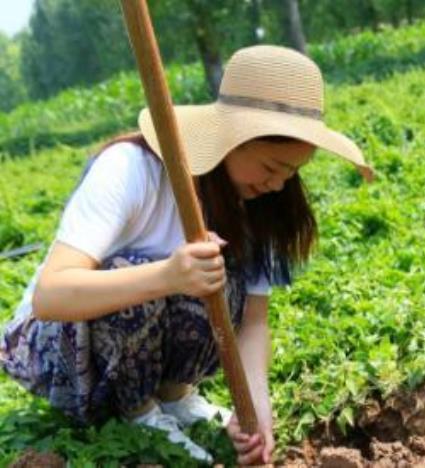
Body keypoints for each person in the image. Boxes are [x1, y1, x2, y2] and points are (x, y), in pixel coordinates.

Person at [0, 45, 373, 466]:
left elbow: (252, 321)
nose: (277, 186)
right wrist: (168, 275)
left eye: (290, 173)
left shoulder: (259, 207)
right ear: (233, 140)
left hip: (136, 352)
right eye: (270, 168)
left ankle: (175, 397)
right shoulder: (132, 169)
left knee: (222, 276)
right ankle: (137, 413)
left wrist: (257, 405)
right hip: (57, 352)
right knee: (139, 273)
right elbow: (51, 297)